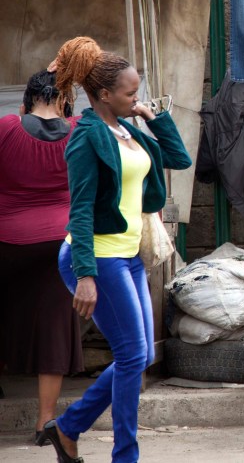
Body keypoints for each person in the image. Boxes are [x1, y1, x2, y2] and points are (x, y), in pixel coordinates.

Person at [42, 37, 192, 463]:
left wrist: (150, 116)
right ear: (104, 94)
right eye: (130, 93)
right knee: (131, 357)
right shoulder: (87, 137)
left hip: (128, 256)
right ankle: (125, 455)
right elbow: (80, 210)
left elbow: (179, 158)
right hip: (97, 258)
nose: (136, 99)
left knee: (142, 354)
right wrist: (85, 275)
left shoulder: (127, 130)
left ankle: (67, 427)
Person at [0, 71, 84, 444]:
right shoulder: (79, 130)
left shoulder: (6, 128)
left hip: (7, 239)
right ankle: (45, 422)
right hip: (60, 243)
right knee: (53, 326)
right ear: (66, 102)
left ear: (25, 103)